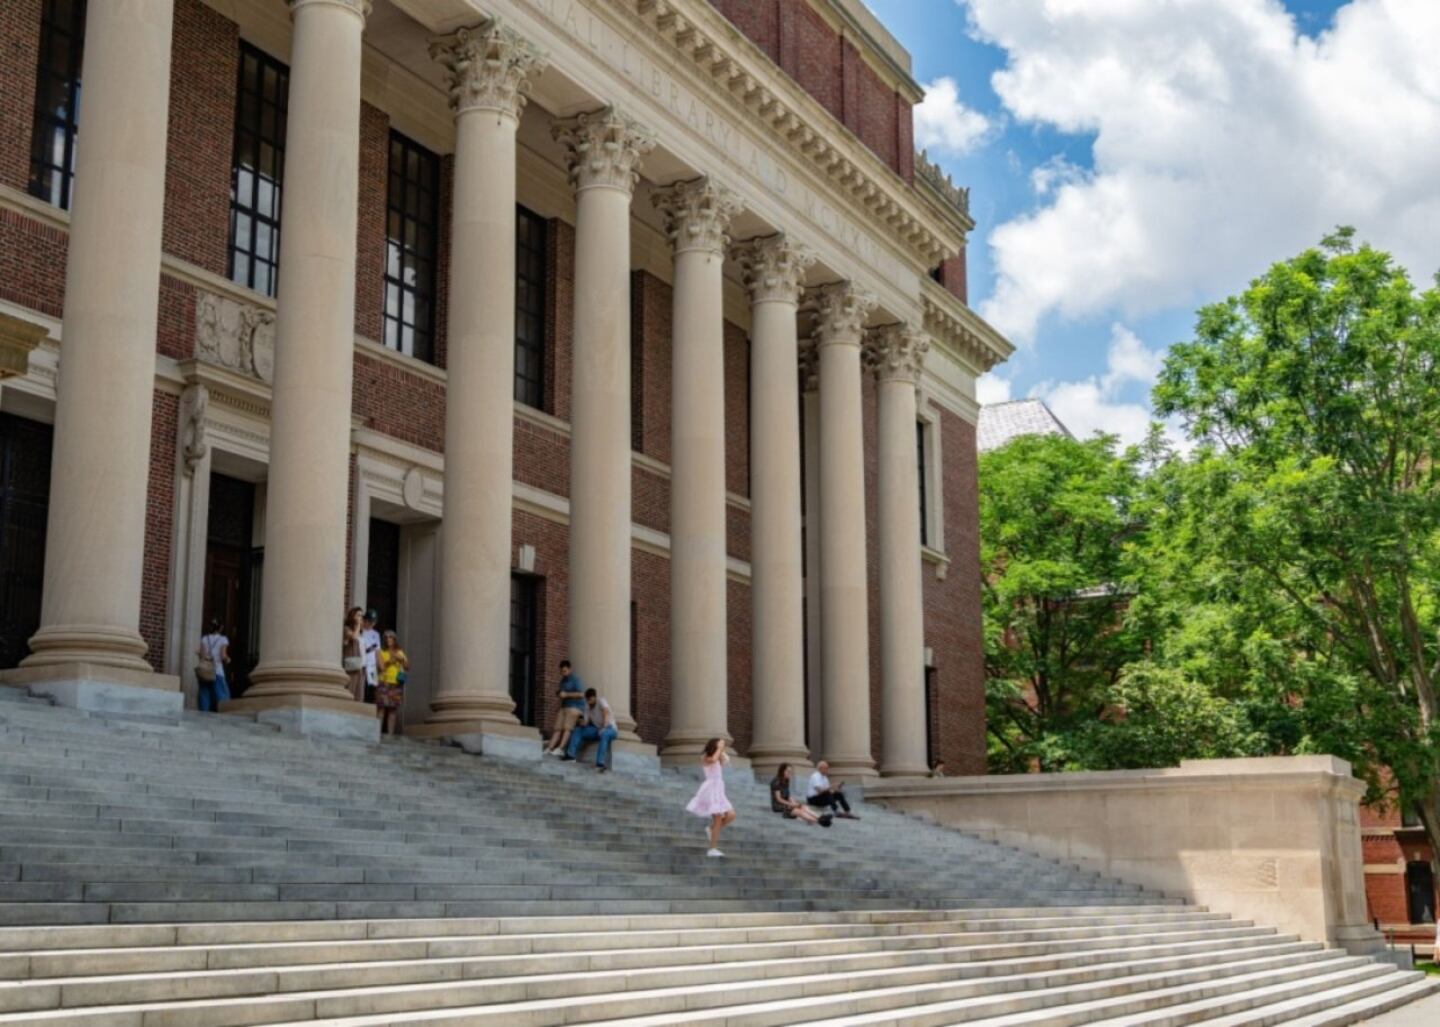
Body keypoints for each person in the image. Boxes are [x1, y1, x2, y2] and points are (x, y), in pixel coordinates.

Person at [687, 738, 736, 857]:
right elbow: (712, 760)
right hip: (711, 789)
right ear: (714, 744)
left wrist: (722, 752)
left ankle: (711, 829)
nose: (722, 745)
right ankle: (712, 849)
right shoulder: (705, 756)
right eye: (720, 743)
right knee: (718, 819)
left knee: (731, 815)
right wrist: (719, 749)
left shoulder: (718, 756)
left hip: (719, 789)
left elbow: (723, 762)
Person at [561, 688, 618, 772]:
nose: (588, 702)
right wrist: (580, 722)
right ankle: (570, 756)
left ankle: (600, 764)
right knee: (578, 730)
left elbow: (606, 713)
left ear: (594, 697)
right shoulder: (587, 706)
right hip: (597, 729)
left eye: (590, 700)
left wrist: (604, 728)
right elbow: (586, 722)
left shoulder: (601, 701)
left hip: (610, 728)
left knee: (604, 734)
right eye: (587, 700)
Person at [543, 659, 586, 756]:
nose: (563, 673)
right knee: (557, 728)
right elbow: (562, 694)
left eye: (565, 671)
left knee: (567, 728)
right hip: (564, 706)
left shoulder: (576, 680)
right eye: (562, 671)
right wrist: (559, 694)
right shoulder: (562, 681)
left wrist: (566, 694)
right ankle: (550, 748)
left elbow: (581, 694)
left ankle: (560, 748)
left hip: (575, 707)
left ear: (570, 669)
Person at [375, 630, 407, 736]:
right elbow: (381, 667)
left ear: (394, 639)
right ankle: (377, 734)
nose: (388, 639)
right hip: (384, 682)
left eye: (390, 637)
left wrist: (402, 660)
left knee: (393, 710)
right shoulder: (380, 652)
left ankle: (390, 736)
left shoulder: (399, 652)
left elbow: (408, 667)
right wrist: (391, 661)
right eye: (386, 637)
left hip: (396, 683)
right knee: (381, 708)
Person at [195, 618, 231, 713]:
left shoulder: (204, 638)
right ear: (220, 628)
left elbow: (202, 655)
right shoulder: (223, 639)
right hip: (217, 670)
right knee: (221, 692)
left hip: (205, 669)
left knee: (204, 692)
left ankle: (203, 713)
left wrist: (199, 654)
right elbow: (223, 655)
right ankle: (224, 712)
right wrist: (228, 659)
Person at [342, 606, 366, 702]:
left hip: (360, 665)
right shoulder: (346, 629)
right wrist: (358, 625)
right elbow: (354, 637)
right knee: (350, 689)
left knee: (358, 692)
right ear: (352, 616)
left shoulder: (361, 633)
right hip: (351, 664)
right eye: (358, 615)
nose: (360, 617)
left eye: (361, 616)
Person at [360, 609, 382, 705]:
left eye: (373, 621)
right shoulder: (360, 631)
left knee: (372, 686)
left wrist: (380, 664)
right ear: (365, 620)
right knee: (362, 685)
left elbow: (377, 650)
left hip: (372, 664)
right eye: (369, 621)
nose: (371, 623)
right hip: (362, 662)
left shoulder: (376, 634)